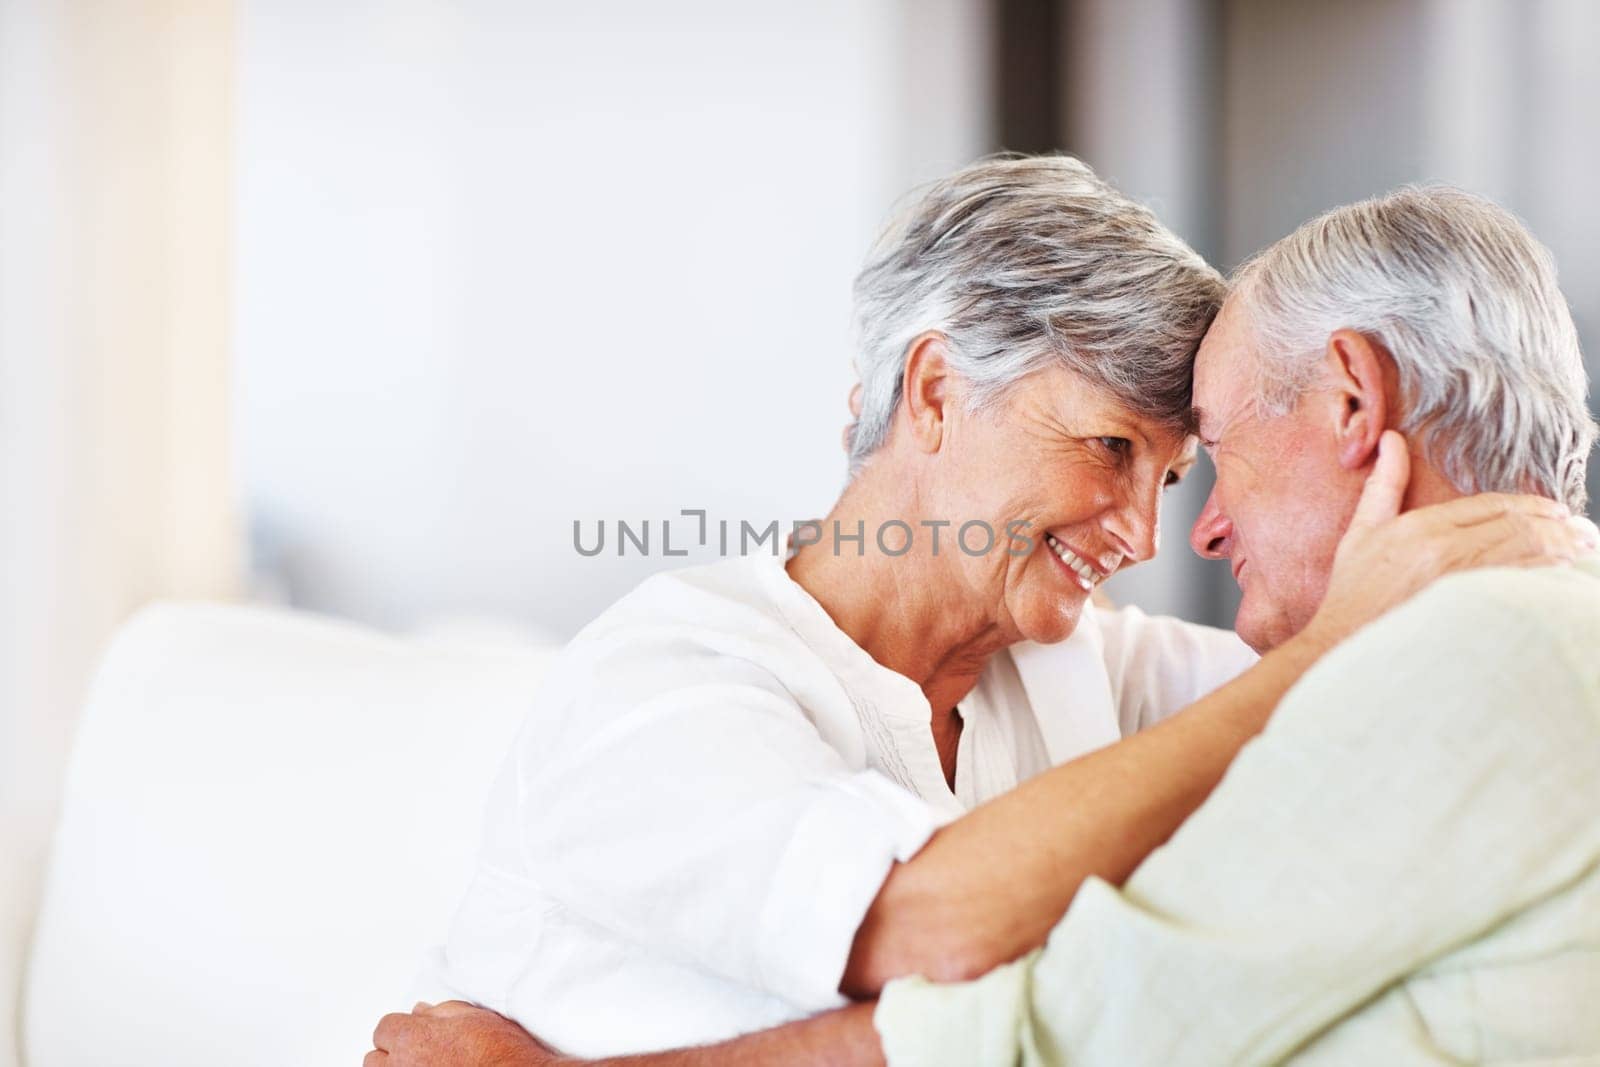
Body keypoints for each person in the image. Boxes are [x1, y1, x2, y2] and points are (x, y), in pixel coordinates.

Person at [368, 172, 1597, 1065]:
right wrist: (1339, 640)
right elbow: (924, 923)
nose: (1144, 531)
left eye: (1170, 474)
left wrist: (1511, 540)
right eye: (1110, 447)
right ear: (937, 389)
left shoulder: (1082, 660)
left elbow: (1374, 685)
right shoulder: (667, 676)